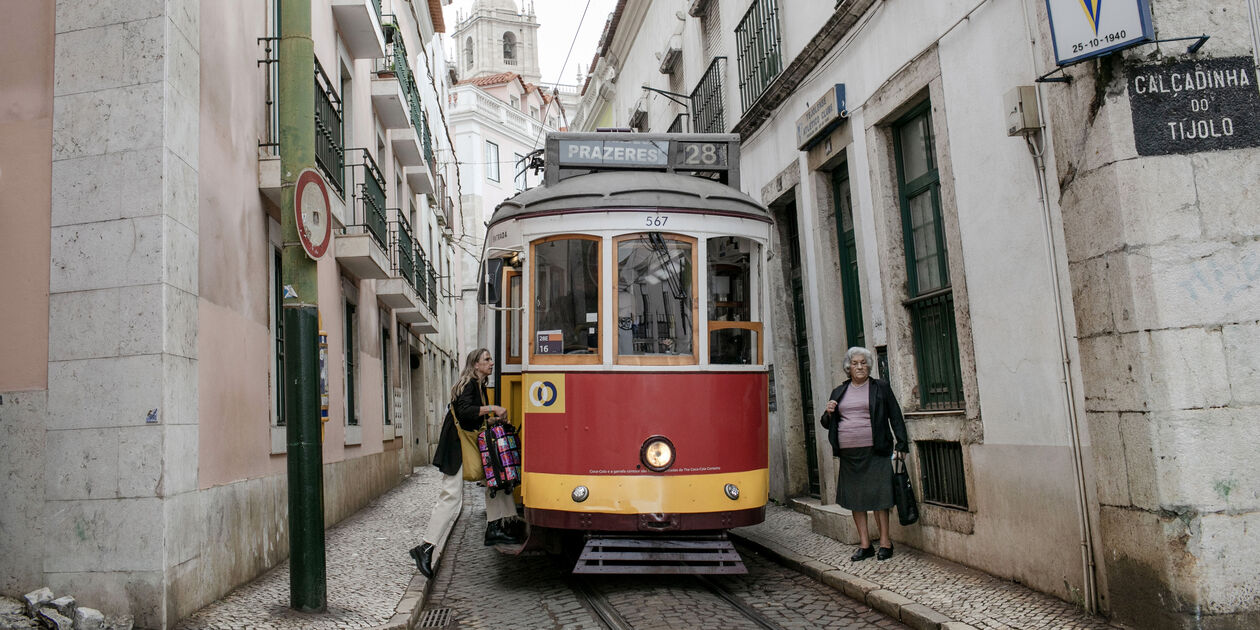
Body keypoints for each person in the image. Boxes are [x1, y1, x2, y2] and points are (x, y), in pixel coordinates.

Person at [409, 348, 522, 579]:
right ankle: (425, 548)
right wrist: (494, 408)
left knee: (497, 480)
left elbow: (473, 417)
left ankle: (496, 527)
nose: (491, 363)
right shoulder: (469, 383)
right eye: (487, 359)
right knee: (450, 497)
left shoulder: (479, 386)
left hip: (467, 446)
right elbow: (465, 412)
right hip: (457, 448)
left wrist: (492, 418)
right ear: (476, 364)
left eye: (491, 359)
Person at [820, 346, 910, 561]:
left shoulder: (881, 388)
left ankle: (886, 543)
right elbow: (825, 424)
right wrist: (829, 412)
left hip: (877, 450)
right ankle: (865, 544)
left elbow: (895, 417)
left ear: (869, 366)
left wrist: (902, 446)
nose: (859, 367)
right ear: (848, 368)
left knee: (881, 498)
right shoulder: (839, 392)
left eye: (863, 363)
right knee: (856, 499)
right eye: (855, 363)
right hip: (850, 455)